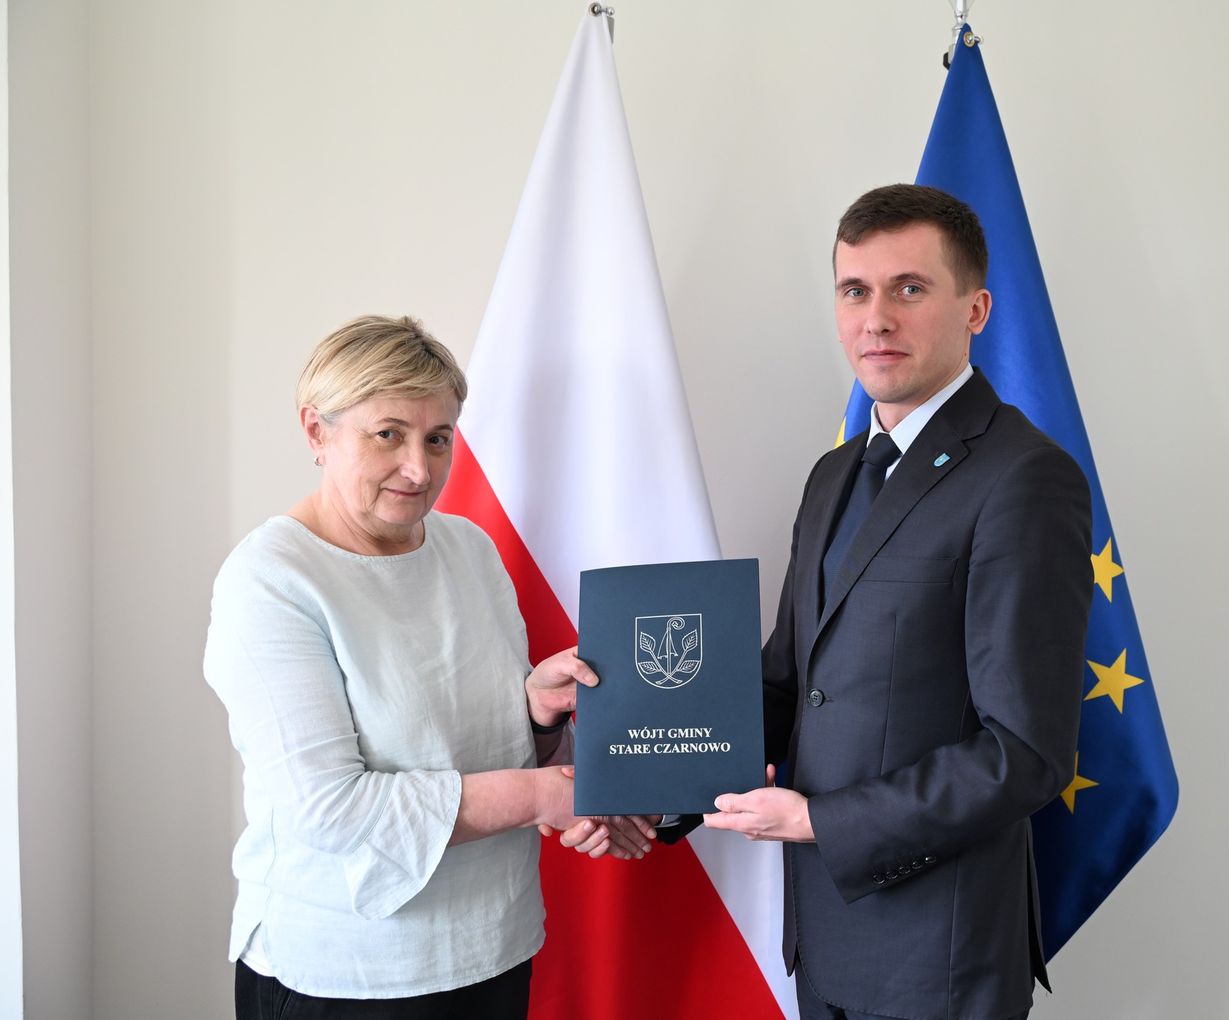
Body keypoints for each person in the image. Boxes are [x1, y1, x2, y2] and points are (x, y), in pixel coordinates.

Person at [703, 185, 1094, 1020]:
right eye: (855, 291)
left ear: (975, 309)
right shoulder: (834, 475)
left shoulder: (1025, 478)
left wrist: (823, 823)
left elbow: (1024, 752)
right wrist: (652, 775)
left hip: (940, 958)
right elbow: (788, 684)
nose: (876, 318)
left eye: (909, 288)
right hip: (823, 944)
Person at [204, 314, 655, 1019]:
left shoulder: (468, 548)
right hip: (348, 973)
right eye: (388, 434)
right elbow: (329, 809)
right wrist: (545, 796)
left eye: (438, 438)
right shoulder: (271, 580)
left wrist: (537, 714)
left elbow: (469, 742)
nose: (419, 469)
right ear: (317, 431)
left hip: (492, 945)